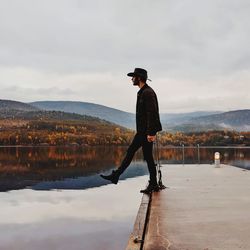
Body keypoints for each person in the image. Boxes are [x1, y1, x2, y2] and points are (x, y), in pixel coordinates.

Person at [100, 68, 162, 194]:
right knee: (148, 157)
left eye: (133, 77)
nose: (131, 79)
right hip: (143, 131)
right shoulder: (143, 92)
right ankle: (153, 184)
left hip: (145, 132)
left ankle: (116, 175)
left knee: (131, 152)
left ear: (139, 78)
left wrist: (151, 133)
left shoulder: (147, 93)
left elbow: (152, 113)